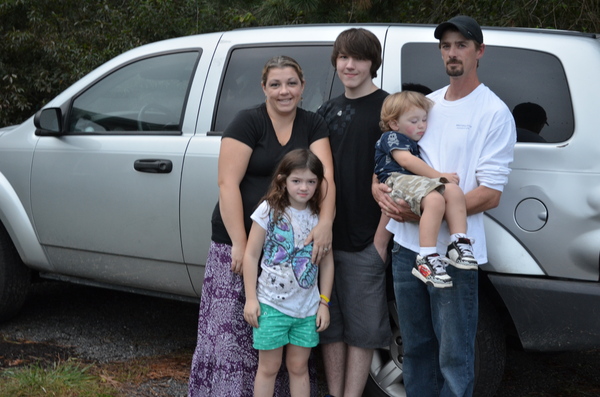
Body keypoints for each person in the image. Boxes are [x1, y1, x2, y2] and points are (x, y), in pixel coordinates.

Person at [376, 16, 516, 396]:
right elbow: (393, 157)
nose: (452, 53)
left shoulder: (493, 113)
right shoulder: (427, 105)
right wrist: (378, 191)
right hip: (408, 249)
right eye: (446, 46)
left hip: (455, 255)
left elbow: (490, 193)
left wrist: (420, 211)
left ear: (479, 51)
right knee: (416, 348)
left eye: (462, 45)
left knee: (454, 356)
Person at [188, 55, 336, 397]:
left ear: (302, 87)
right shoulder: (247, 122)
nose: (284, 91)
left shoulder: (313, 124)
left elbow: (325, 178)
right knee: (234, 333)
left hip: (294, 246)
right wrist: (240, 243)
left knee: (286, 337)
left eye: (291, 84)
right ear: (263, 87)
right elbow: (227, 184)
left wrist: (326, 222)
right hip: (240, 239)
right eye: (275, 84)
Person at [316, 28, 391, 397]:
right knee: (328, 326)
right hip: (327, 237)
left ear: (372, 63)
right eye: (344, 57)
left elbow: (398, 179)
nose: (350, 65)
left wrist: (381, 240)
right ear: (335, 61)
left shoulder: (388, 110)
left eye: (359, 58)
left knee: (363, 330)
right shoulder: (327, 111)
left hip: (366, 240)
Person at [243, 148, 335, 397]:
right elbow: (251, 255)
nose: (303, 187)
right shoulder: (268, 210)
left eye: (311, 181)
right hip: (271, 305)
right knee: (269, 367)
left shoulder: (320, 219)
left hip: (306, 309)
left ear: (318, 184)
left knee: (298, 366)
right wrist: (251, 299)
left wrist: (324, 303)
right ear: (283, 180)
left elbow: (327, 263)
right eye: (296, 180)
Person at [373, 91, 478, 289]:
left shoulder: (411, 139)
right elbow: (405, 161)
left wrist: (445, 182)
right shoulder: (392, 136)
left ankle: (459, 243)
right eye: (414, 120)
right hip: (396, 180)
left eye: (424, 119)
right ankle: (427, 256)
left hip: (412, 183)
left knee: (454, 191)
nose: (422, 125)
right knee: (435, 200)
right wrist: (439, 176)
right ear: (395, 123)